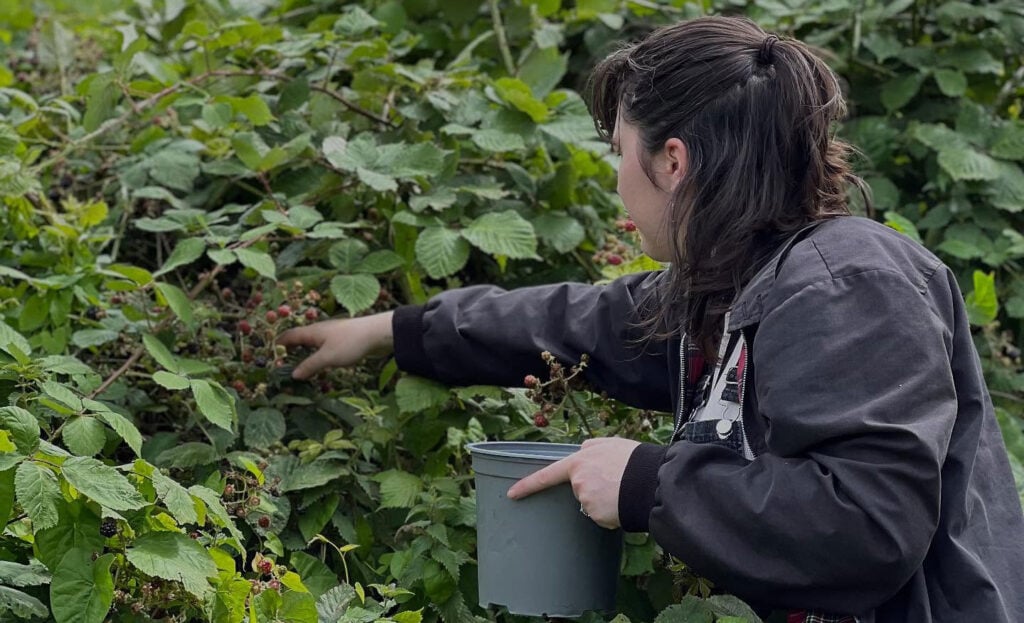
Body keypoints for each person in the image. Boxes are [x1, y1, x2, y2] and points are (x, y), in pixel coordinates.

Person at [278, 16, 1024, 623]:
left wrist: (643, 482)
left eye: (618, 151)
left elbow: (868, 524)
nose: (615, 183)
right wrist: (392, 331)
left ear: (673, 161)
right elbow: (575, 322)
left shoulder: (849, 283)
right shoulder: (736, 282)